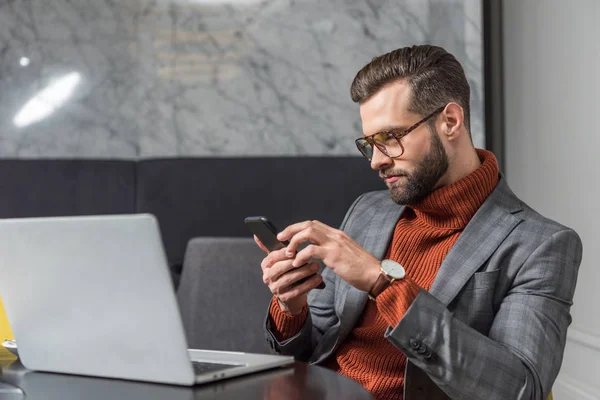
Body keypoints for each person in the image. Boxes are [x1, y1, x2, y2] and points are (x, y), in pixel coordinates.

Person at [254, 45, 582, 400]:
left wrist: (383, 282)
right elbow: (312, 349)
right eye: (369, 144)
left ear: (450, 121)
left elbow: (519, 389)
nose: (376, 161)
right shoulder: (368, 211)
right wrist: (293, 308)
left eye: (390, 139)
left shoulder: (540, 244)